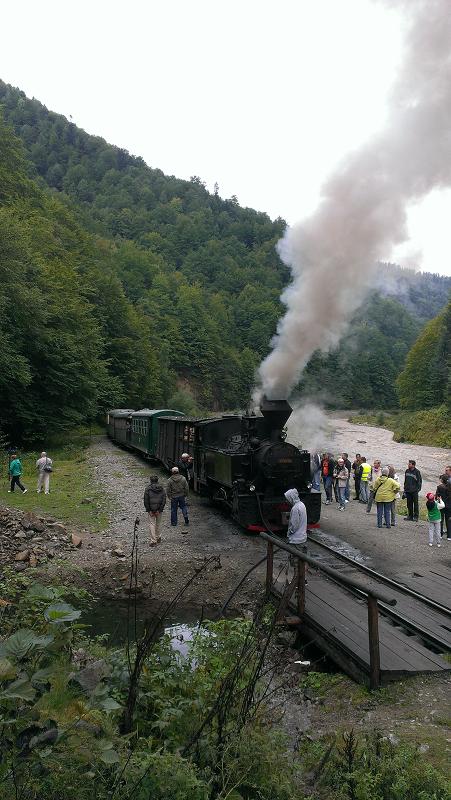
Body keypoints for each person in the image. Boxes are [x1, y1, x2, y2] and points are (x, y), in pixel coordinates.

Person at [143, 475, 167, 547]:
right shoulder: (162, 489)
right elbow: (164, 500)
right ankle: (158, 537)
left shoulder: (147, 489)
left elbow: (146, 500)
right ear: (157, 480)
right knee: (158, 523)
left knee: (152, 524)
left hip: (151, 510)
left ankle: (153, 540)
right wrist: (160, 510)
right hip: (159, 510)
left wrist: (149, 510)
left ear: (151, 481)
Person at [436, 474, 451, 540]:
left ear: (442, 480)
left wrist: (439, 501)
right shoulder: (450, 487)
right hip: (449, 505)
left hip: (441, 505)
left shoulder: (439, 487)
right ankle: (449, 536)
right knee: (448, 520)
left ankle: (440, 534)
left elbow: (437, 496)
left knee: (441, 520)